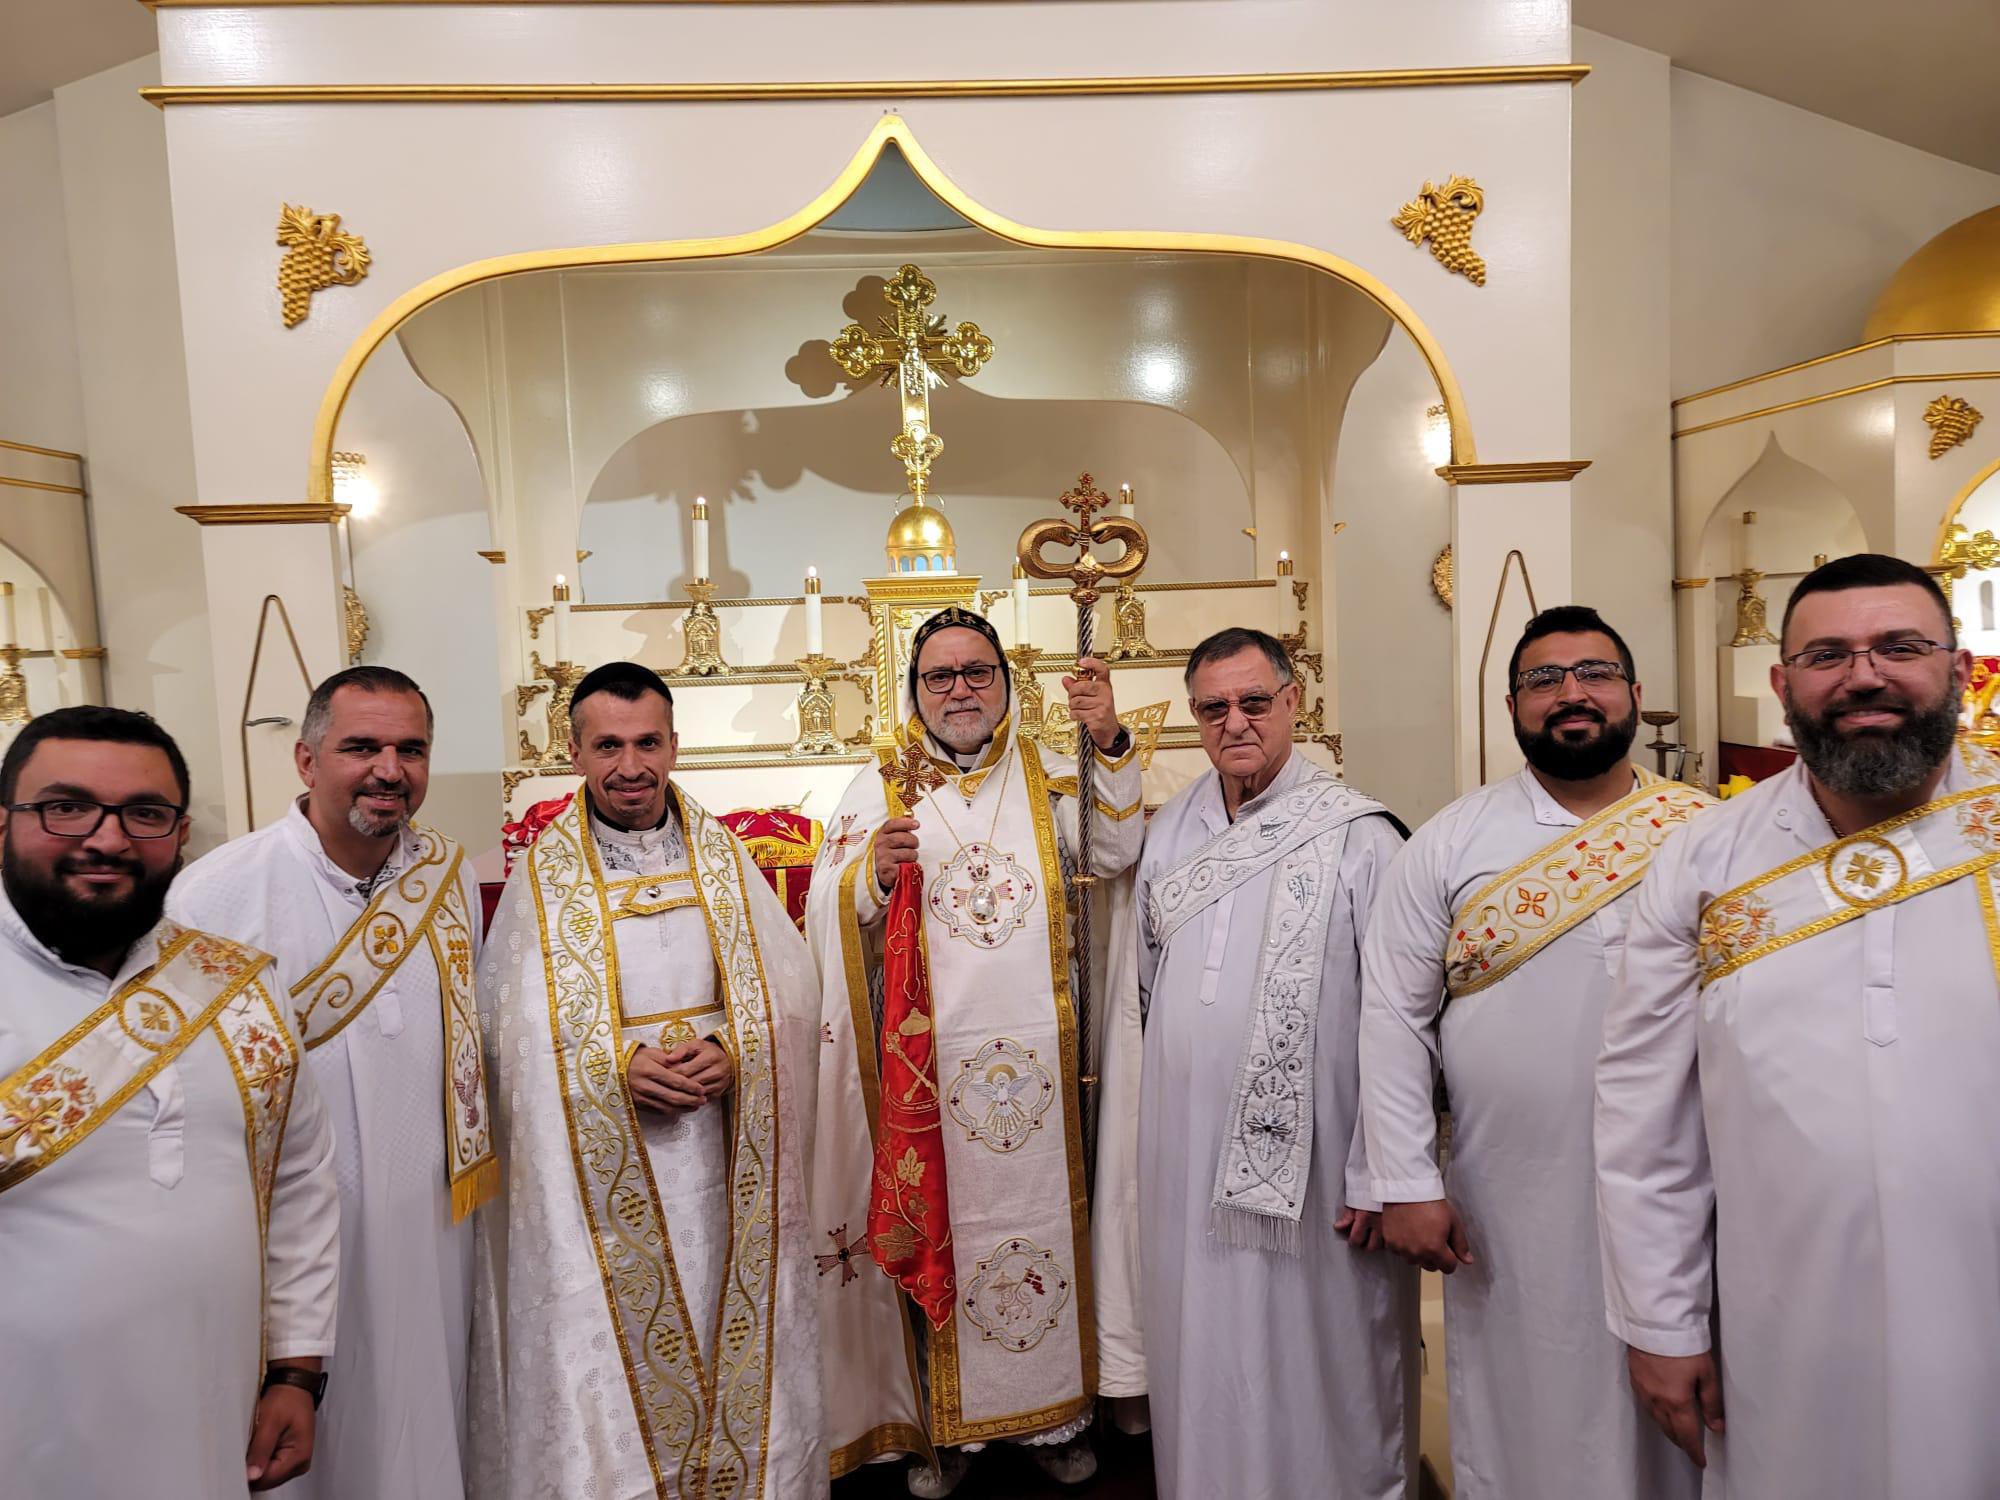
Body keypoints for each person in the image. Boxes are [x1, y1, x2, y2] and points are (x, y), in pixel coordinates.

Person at [1597, 553, 2000, 1496]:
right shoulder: (1704, 860)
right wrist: (1660, 1324)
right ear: (1783, 686)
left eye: (1900, 647)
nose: (1865, 676)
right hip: (1781, 1321)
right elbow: (1644, 1116)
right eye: (1827, 656)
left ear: (1959, 668)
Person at [1359, 606, 1709, 1499]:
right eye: (1544, 680)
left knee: (1692, 1401)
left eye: (1594, 673)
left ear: (1634, 694)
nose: (1570, 694)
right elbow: (1394, 1016)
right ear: (1512, 705)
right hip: (1512, 1192)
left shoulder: (1709, 833)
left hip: (1693, 1178)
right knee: (1532, 1400)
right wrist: (1406, 1180)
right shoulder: (1450, 842)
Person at [805, 605, 1145, 1497]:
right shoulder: (880, 786)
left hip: (1046, 1077)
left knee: (1046, 1227)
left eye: (976, 671)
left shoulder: (1051, 771)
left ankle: (1052, 1419)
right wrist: (871, 877)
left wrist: (1107, 739)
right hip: (928, 1079)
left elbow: (1116, 852)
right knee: (941, 1230)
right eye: (940, 676)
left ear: (1005, 682)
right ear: (914, 691)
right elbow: (823, 906)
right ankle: (946, 1431)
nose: (960, 690)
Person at [470, 661, 826, 1499]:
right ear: (573, 752)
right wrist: (607, 1065)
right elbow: (504, 1030)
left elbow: (793, 990)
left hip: (722, 1157)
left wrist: (739, 1047)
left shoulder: (723, 857)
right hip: (597, 1181)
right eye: (608, 746)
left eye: (647, 743)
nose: (630, 767)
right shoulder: (543, 879)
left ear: (674, 745)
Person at [169, 666, 491, 1500]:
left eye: (410, 749)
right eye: (362, 747)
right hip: (299, 1234)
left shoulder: (448, 875)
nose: (390, 769)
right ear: (307, 760)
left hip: (434, 1224)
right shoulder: (216, 894)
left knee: (427, 1414)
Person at [0, 706, 339, 1496]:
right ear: (4, 821)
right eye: (67, 807)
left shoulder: (240, 988)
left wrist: (296, 1372)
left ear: (181, 833)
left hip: (209, 1414)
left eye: (145, 813)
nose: (108, 839)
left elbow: (299, 1184)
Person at [1135, 627, 1417, 1500]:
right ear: (1194, 719)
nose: (1236, 722)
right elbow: (1148, 985)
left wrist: (1383, 1168)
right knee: (1203, 1342)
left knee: (1320, 1351)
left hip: (1325, 1169)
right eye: (1214, 708)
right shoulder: (1168, 833)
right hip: (1186, 1161)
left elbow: (1400, 1017)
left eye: (1255, 702)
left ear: (1294, 702)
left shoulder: (1361, 837)